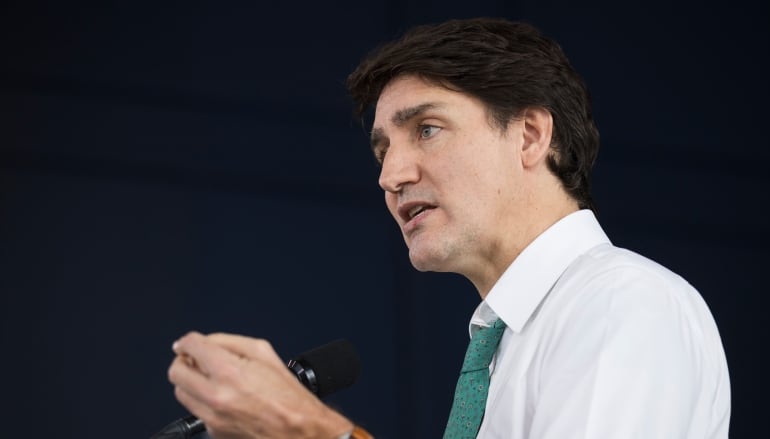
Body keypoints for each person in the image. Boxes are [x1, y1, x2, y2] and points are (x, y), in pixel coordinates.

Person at [167, 17, 731, 438]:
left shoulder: (622, 304)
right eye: (381, 151)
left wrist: (308, 429)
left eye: (428, 130)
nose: (391, 175)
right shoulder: (505, 342)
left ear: (531, 135)